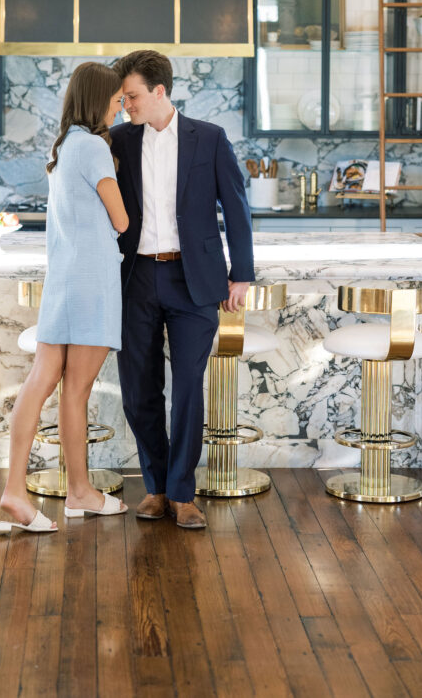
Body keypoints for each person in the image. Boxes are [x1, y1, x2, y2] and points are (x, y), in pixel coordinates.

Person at [110, 50, 254, 529]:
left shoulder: (209, 139)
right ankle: (154, 488)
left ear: (159, 91)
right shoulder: (118, 141)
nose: (125, 104)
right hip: (135, 277)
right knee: (138, 389)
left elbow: (236, 208)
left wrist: (242, 273)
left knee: (189, 387)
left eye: (131, 95)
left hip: (195, 280)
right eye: (122, 96)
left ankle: (182, 491)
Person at [0, 62, 129, 534]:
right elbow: (121, 220)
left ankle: (17, 489)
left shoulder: (68, 145)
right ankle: (79, 492)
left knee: (41, 383)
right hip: (91, 284)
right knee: (76, 390)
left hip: (64, 282)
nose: (119, 109)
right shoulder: (93, 146)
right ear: (98, 100)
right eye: (115, 102)